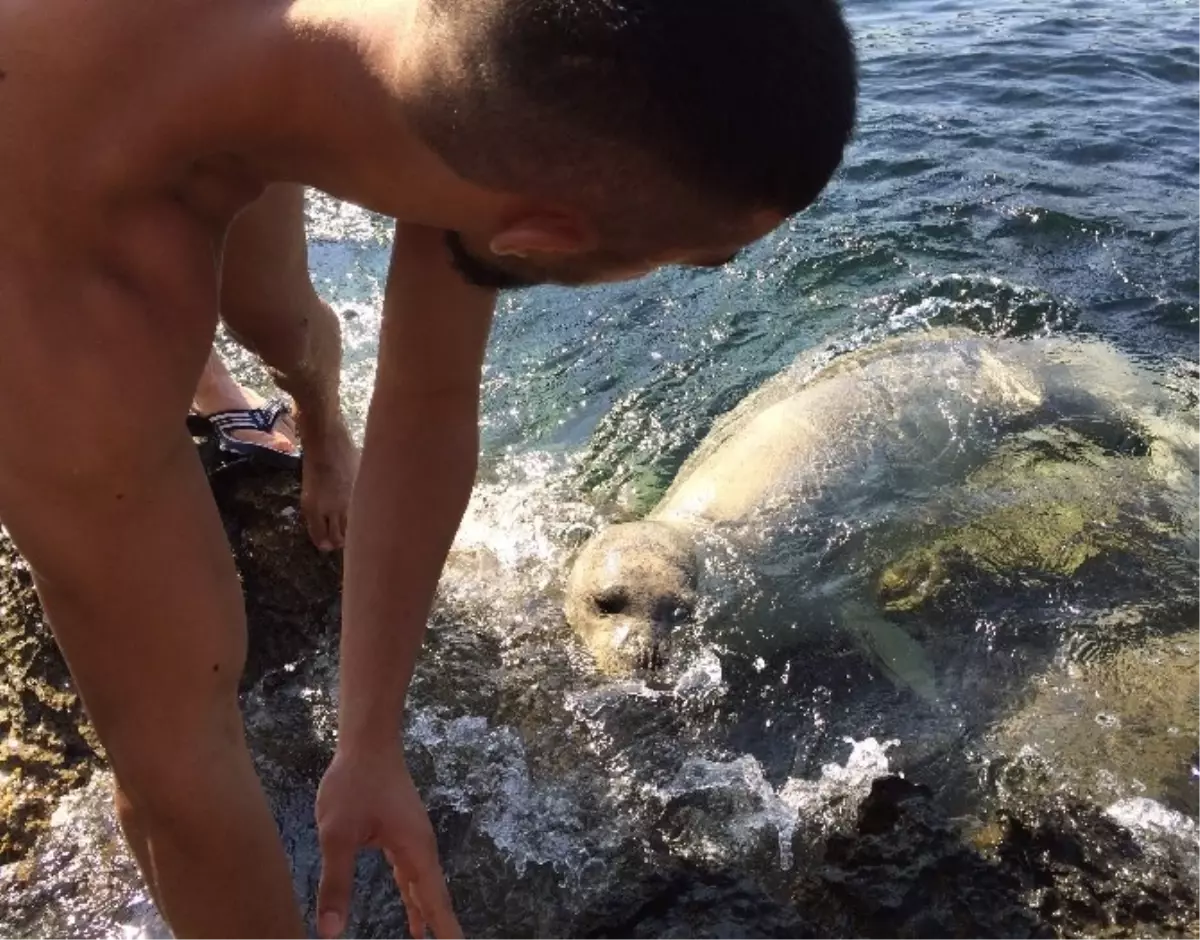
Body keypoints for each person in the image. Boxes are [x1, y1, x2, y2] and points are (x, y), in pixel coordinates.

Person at [0, 0, 857, 937]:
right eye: (699, 260)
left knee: (272, 314)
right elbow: (172, 789)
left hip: (184, 69)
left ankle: (308, 411)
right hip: (54, 204)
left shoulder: (460, 57)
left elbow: (429, 395)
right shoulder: (68, 335)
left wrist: (367, 738)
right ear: (538, 239)